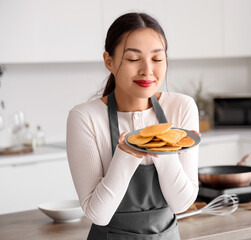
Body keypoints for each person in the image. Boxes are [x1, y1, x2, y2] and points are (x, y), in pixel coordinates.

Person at [66, 12, 199, 239]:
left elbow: (181, 204)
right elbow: (98, 214)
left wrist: (164, 144)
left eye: (157, 59)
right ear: (109, 61)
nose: (147, 70)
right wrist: (126, 154)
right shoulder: (85, 117)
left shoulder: (181, 107)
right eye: (133, 59)